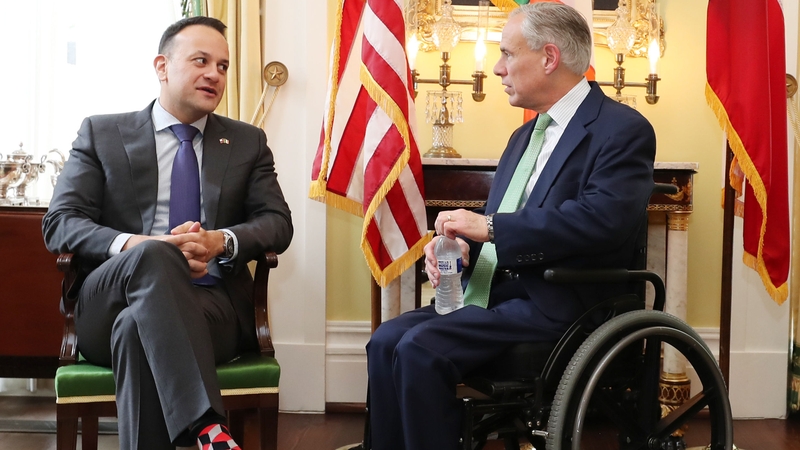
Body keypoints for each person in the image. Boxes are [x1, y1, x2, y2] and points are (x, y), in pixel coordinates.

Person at [363, 3, 656, 450]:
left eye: (506, 53)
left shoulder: (621, 129)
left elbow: (603, 222)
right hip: (499, 295)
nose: (497, 68)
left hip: (561, 303)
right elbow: (502, 222)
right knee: (386, 340)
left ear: (549, 57)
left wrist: (492, 229)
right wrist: (465, 249)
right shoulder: (523, 136)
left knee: (420, 349)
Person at [42, 16, 293, 450]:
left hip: (209, 307)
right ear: (162, 66)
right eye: (201, 60)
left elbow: (277, 222)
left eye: (223, 66)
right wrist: (138, 246)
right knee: (156, 257)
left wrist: (220, 241)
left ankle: (199, 430)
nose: (215, 74)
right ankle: (206, 425)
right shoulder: (102, 133)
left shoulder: (247, 142)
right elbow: (60, 222)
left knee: (135, 330)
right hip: (109, 296)